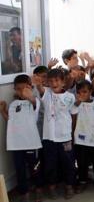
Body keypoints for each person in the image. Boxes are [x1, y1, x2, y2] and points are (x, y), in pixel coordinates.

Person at [33, 68, 76, 199]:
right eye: (50, 81)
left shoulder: (70, 97)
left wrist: (72, 133)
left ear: (63, 82)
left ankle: (69, 186)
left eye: (57, 80)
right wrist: (38, 83)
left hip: (65, 137)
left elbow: (74, 115)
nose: (54, 83)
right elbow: (41, 89)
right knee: (50, 164)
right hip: (49, 138)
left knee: (68, 163)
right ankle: (52, 187)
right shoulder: (47, 94)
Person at [0, 74, 43, 202]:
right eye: (18, 89)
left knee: (35, 168)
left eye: (24, 88)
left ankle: (39, 190)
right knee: (19, 170)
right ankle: (24, 193)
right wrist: (3, 111)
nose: (21, 91)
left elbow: (35, 104)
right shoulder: (13, 104)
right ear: (14, 89)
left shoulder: (35, 101)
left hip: (31, 143)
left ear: (30, 87)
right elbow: (11, 121)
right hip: (15, 144)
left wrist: (29, 95)